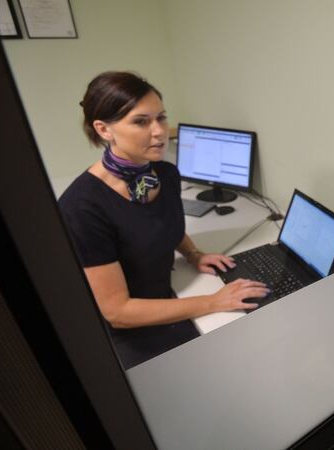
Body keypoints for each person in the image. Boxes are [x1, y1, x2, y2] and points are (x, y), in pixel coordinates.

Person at [59, 71, 269, 369]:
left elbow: (163, 224)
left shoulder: (165, 173)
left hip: (168, 295)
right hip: (129, 328)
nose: (159, 131)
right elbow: (117, 312)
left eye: (161, 118)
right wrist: (213, 301)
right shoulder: (82, 207)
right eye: (141, 121)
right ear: (104, 129)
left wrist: (193, 254)